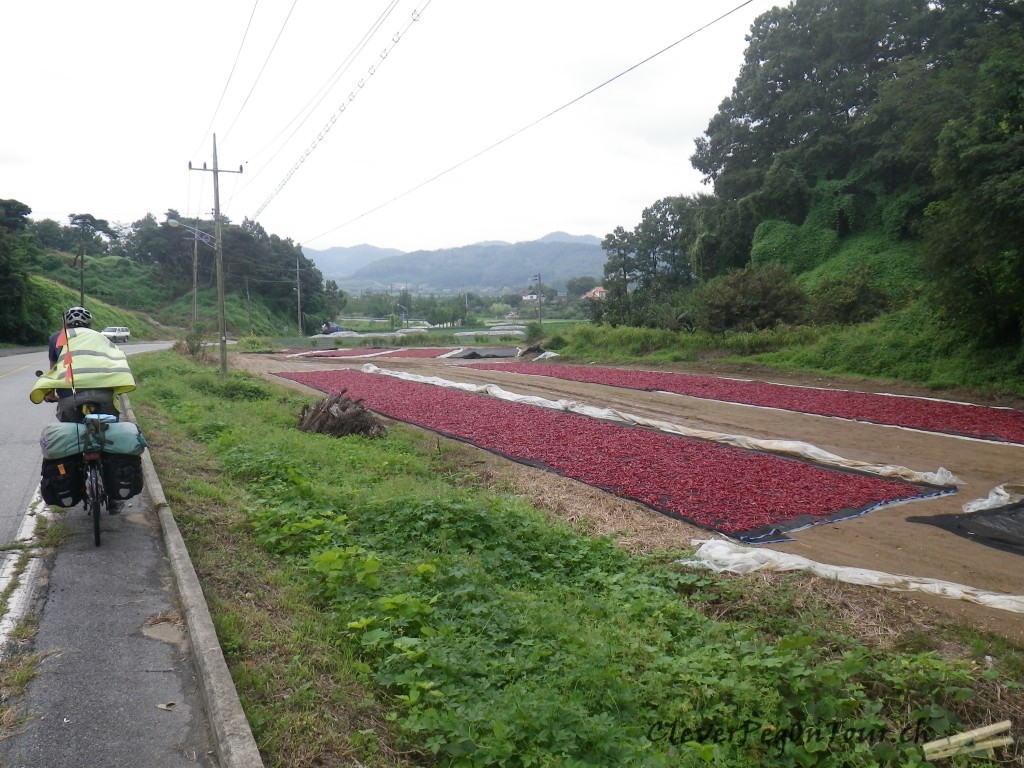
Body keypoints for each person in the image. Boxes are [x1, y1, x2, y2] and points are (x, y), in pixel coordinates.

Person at [31, 307, 138, 512]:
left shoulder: (57, 338)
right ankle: (114, 498)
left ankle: (74, 484)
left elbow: (55, 370)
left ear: (67, 325)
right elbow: (113, 363)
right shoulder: (101, 338)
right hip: (102, 396)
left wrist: (50, 394)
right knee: (107, 436)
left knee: (72, 436)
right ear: (90, 325)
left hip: (69, 399)